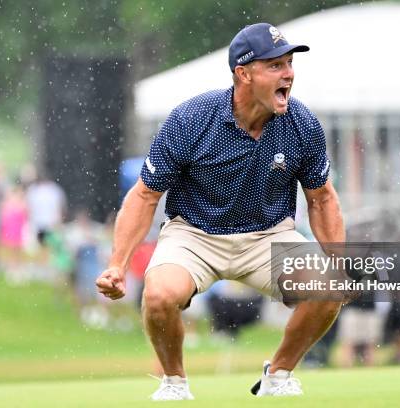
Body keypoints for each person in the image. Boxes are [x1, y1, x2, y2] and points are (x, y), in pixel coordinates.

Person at [96, 23, 345, 400]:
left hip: (268, 235)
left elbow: (322, 199)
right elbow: (144, 195)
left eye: (290, 64)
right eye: (275, 65)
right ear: (243, 74)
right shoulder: (190, 120)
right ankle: (175, 382)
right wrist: (117, 264)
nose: (289, 73)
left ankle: (277, 374)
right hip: (194, 235)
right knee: (159, 296)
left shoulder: (302, 123)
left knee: (329, 287)